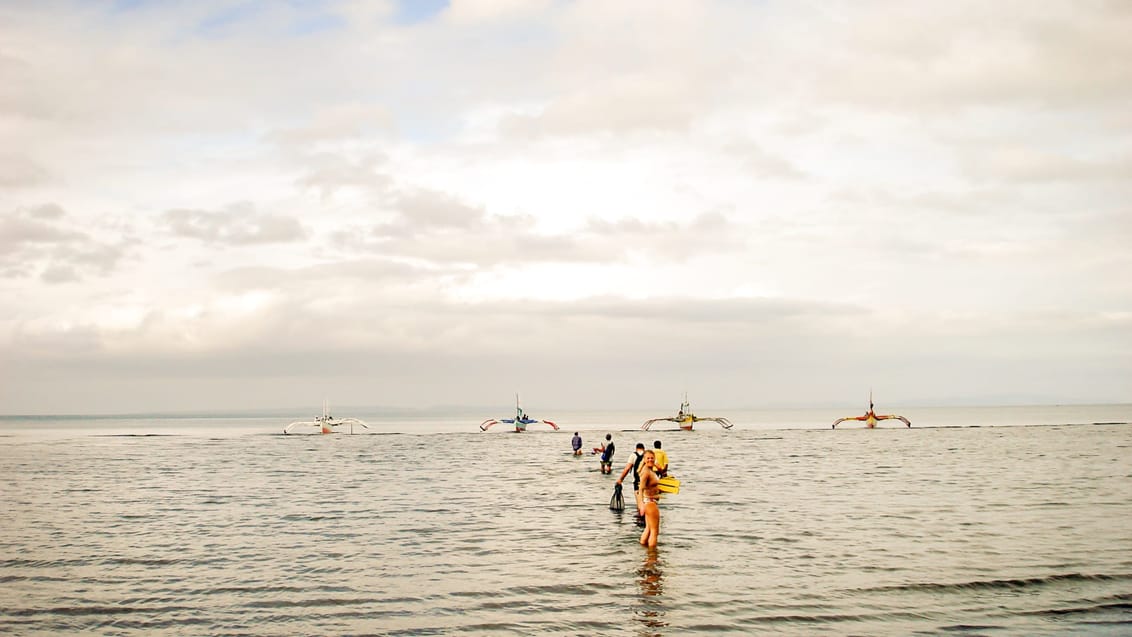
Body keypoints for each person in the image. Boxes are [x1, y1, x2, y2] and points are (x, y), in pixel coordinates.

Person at [637, 449, 661, 548]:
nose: (650, 460)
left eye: (652, 458)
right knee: (655, 531)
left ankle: (643, 548)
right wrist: (641, 505)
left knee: (648, 528)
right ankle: (652, 555)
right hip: (650, 502)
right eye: (648, 458)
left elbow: (650, 486)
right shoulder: (646, 472)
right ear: (644, 459)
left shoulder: (650, 470)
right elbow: (640, 489)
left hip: (650, 501)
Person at [616, 443, 647, 516]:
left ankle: (640, 521)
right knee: (647, 502)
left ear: (636, 449)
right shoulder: (648, 456)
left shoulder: (633, 455)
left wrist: (621, 479)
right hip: (648, 483)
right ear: (644, 448)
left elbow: (627, 468)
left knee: (639, 503)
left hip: (637, 483)